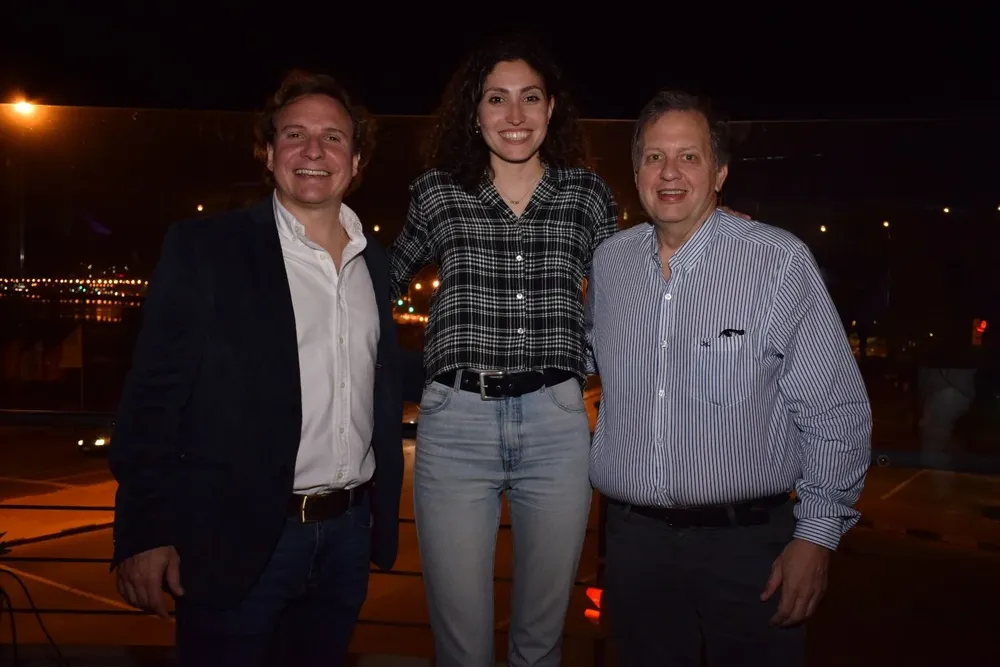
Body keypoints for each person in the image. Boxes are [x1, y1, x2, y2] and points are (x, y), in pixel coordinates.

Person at [110, 70, 421, 667]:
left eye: (333, 137)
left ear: (357, 159)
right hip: (238, 538)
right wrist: (143, 532)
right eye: (294, 134)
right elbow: (153, 398)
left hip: (348, 538)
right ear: (267, 150)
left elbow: (380, 374)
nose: (313, 151)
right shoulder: (206, 249)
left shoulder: (374, 263)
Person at [585, 90, 872, 667]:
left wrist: (816, 538)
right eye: (654, 157)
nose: (669, 173)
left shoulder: (777, 261)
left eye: (688, 157)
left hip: (748, 551)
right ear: (636, 170)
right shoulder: (609, 264)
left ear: (719, 173)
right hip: (635, 546)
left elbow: (835, 409)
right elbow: (587, 364)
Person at [387, 34, 618, 667]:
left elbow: (625, 301)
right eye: (497, 99)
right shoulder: (438, 192)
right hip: (455, 422)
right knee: (459, 644)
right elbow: (380, 281)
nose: (515, 117)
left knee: (541, 640)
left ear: (551, 109)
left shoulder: (587, 196)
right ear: (475, 111)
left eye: (530, 98)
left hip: (556, 423)